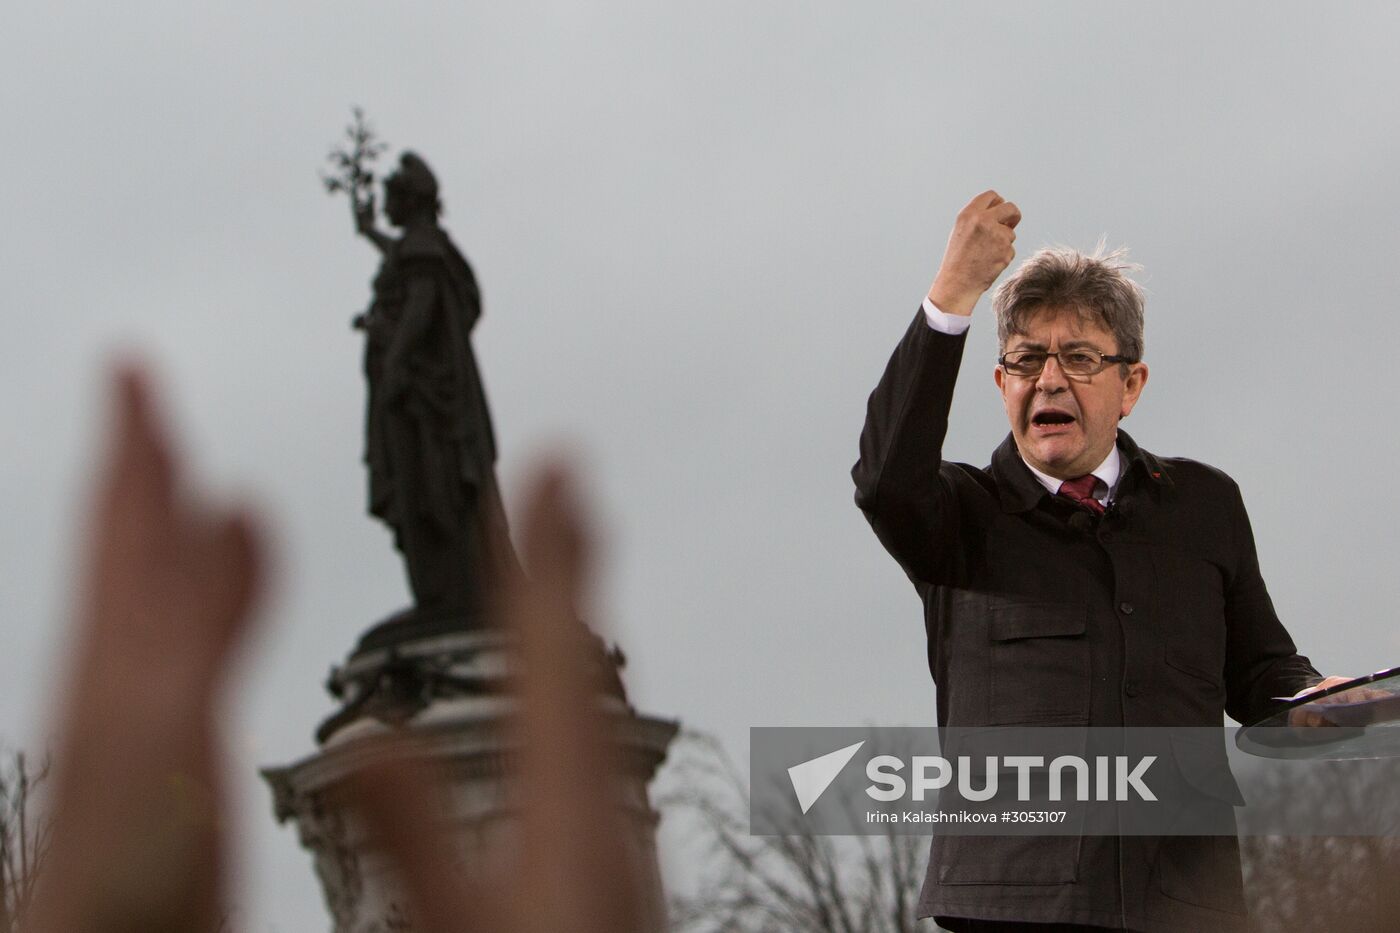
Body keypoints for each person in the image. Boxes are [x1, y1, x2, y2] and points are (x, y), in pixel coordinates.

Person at [851, 191, 1349, 932]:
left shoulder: (1204, 505)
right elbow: (885, 480)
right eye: (1026, 359)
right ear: (1002, 385)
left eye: (1079, 358)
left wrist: (1318, 700)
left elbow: (1260, 673)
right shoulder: (960, 515)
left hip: (1186, 908)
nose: (1049, 378)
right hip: (1013, 909)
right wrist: (951, 296)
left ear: (1131, 385)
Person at [27, 365, 649, 933]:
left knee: (435, 505)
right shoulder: (410, 297)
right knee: (428, 508)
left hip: (427, 404)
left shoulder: (424, 280)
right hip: (419, 410)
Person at [354, 151, 515, 622]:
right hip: (415, 395)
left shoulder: (425, 252)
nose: (385, 208)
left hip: (427, 400)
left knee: (432, 488)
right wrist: (369, 234)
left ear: (412, 200)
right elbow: (406, 259)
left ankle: (453, 591)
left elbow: (421, 307)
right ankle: (446, 590)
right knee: (421, 489)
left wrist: (399, 360)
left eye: (390, 200)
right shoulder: (423, 248)